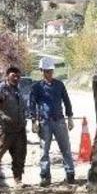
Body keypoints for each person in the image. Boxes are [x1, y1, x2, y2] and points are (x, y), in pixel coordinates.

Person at [29, 57, 75, 186]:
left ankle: (70, 174)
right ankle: (45, 177)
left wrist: (70, 117)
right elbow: (32, 104)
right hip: (44, 122)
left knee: (66, 149)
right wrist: (33, 121)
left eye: (50, 71)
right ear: (41, 70)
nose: (49, 73)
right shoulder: (36, 87)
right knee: (44, 151)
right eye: (46, 71)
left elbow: (66, 101)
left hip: (59, 121)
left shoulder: (59, 85)